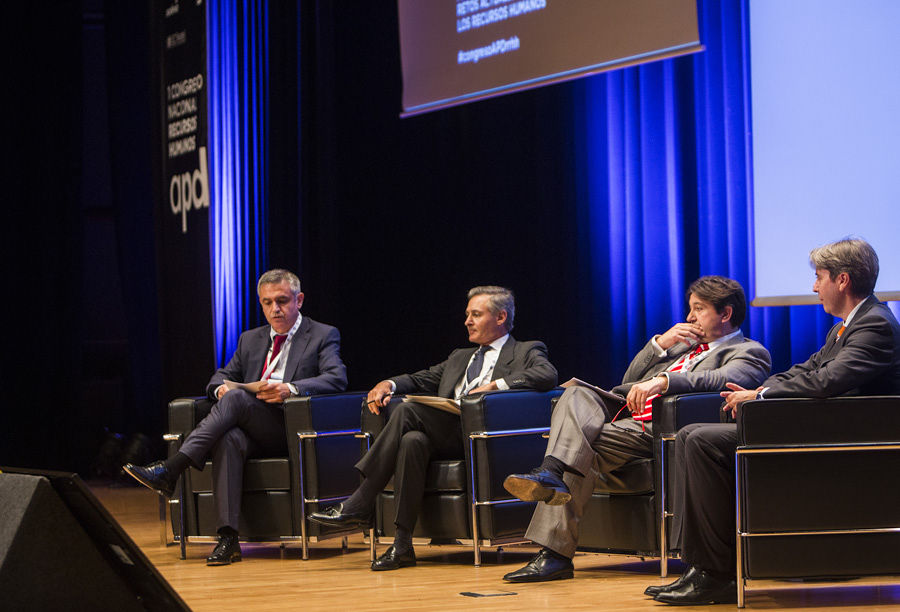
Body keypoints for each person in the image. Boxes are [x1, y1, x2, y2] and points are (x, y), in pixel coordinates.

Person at [651, 238, 900, 605]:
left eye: (819, 277)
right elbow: (808, 368)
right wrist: (761, 389)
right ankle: (704, 568)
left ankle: (713, 573)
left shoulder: (875, 325)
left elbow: (826, 381)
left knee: (700, 438)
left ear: (842, 280)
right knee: (692, 437)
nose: (815, 286)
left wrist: (759, 396)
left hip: (845, 441)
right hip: (819, 428)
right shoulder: (846, 326)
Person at [502, 276, 771, 583]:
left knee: (573, 445)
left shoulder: (749, 352)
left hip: (662, 429)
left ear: (725, 314)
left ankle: (553, 552)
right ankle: (552, 474)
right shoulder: (681, 347)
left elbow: (719, 380)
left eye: (699, 309)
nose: (689, 317)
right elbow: (627, 379)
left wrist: (664, 381)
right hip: (624, 419)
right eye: (690, 309)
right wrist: (661, 344)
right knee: (576, 394)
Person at [308, 286, 558, 571]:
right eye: (467, 315)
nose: (467, 321)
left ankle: (362, 500)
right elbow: (419, 378)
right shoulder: (460, 357)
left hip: (482, 438)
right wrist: (387, 384)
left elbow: (546, 374)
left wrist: (494, 386)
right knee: (412, 440)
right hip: (446, 432)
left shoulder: (526, 350)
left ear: (501, 317)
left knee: (406, 410)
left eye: (476, 314)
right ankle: (402, 545)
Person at [124, 269, 347, 565]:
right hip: (249, 423)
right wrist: (220, 392)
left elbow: (337, 378)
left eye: (282, 301)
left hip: (288, 428)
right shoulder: (250, 340)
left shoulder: (322, 334)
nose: (275, 309)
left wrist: (289, 389)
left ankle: (172, 468)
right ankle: (228, 539)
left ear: (299, 299)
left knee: (239, 398)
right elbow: (219, 378)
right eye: (267, 303)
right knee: (229, 437)